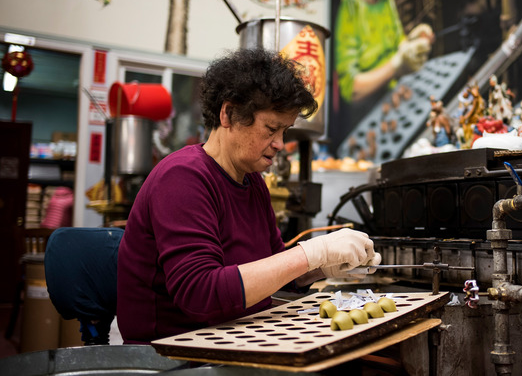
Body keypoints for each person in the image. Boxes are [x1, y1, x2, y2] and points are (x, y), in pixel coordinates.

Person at [117, 48, 380, 344]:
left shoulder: (252, 181)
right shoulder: (182, 178)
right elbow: (199, 293)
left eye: (285, 131)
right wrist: (310, 253)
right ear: (228, 114)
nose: (280, 143)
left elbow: (272, 266)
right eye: (271, 128)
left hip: (237, 336)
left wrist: (318, 268)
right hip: (177, 353)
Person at [334, 0, 433, 155]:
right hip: (364, 117)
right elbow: (352, 88)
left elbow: (398, 43)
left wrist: (414, 40)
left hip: (393, 106)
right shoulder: (351, 6)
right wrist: (396, 65)